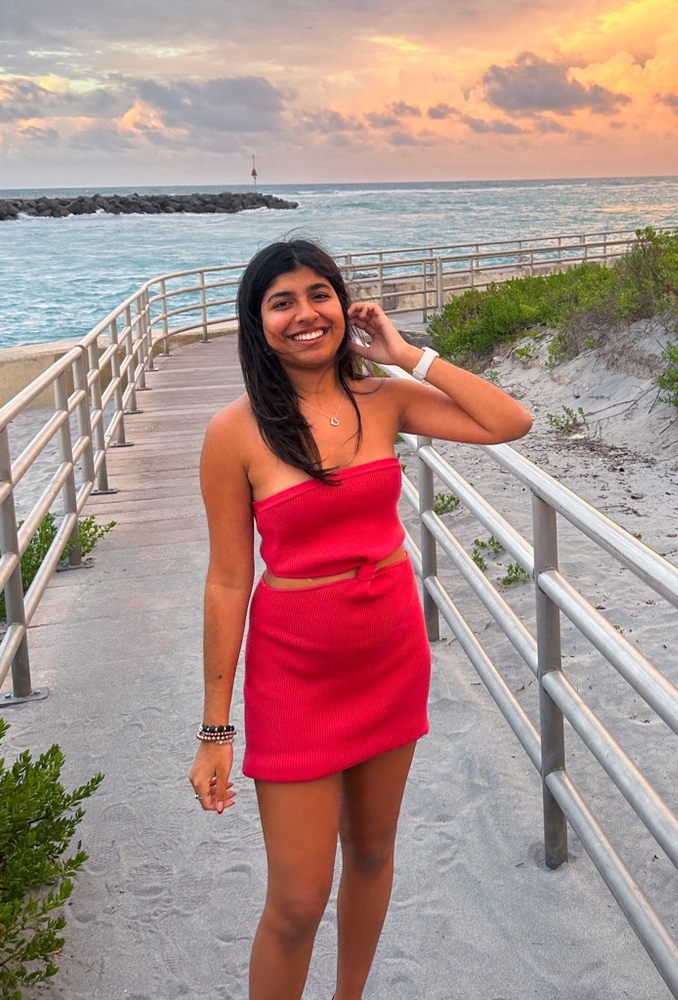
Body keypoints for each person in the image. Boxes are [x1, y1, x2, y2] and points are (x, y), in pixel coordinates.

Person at [187, 238, 532, 1000]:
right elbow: (225, 581)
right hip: (296, 674)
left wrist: (409, 354)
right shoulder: (232, 433)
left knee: (373, 853)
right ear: (257, 322)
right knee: (297, 900)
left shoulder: (385, 397)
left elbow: (510, 421)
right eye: (282, 301)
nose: (306, 314)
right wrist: (215, 729)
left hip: (389, 655)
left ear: (345, 306)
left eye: (320, 294)